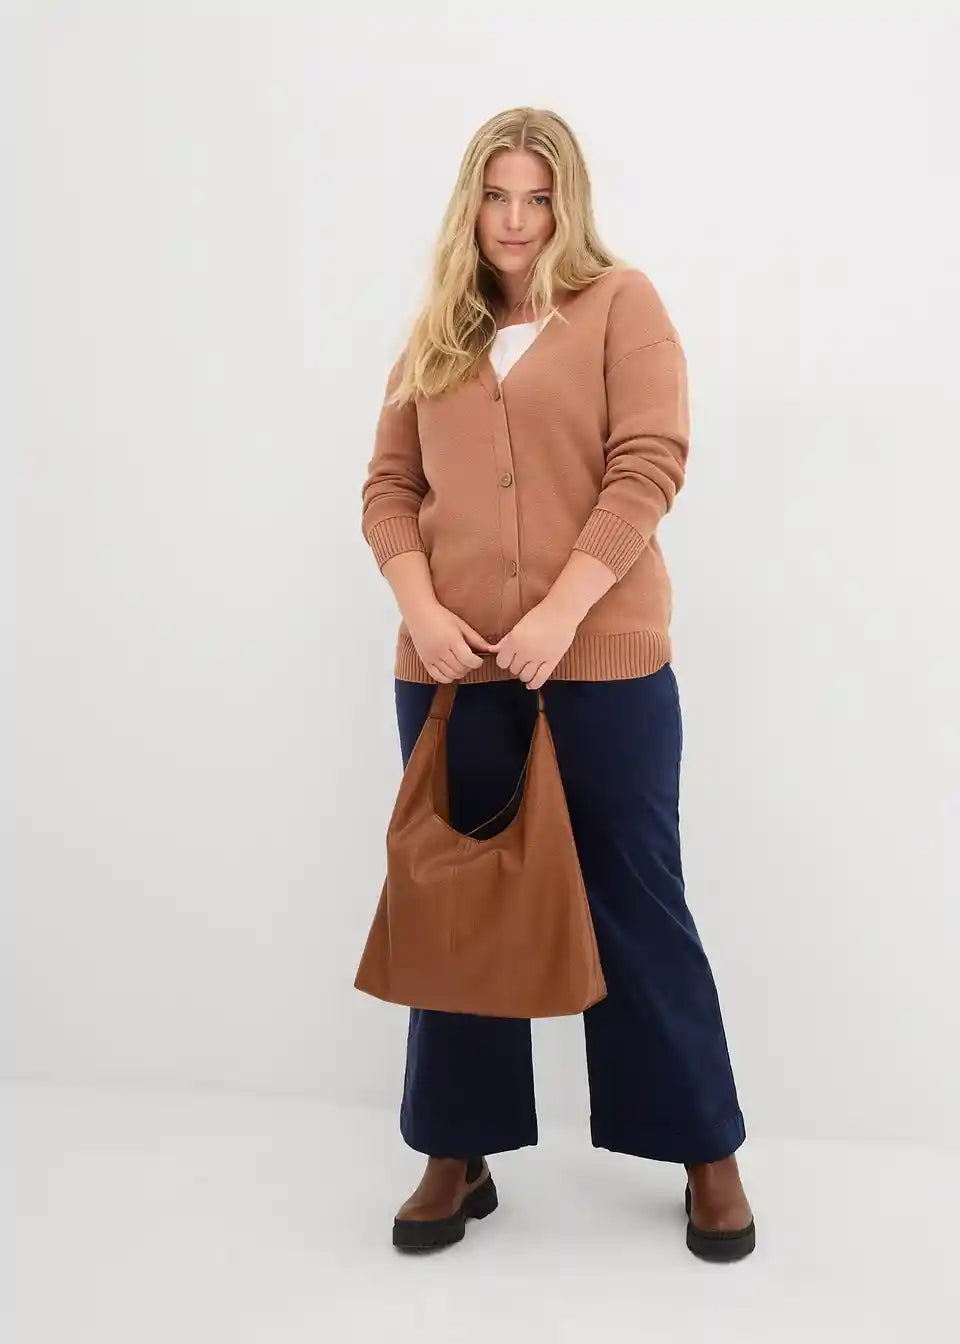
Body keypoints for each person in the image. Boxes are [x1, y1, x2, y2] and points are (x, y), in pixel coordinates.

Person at [359, 106, 755, 1262]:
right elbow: (389, 489)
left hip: (603, 667)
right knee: (460, 910)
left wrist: (561, 612)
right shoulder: (438, 330)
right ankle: (458, 1149)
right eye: (497, 196)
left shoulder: (622, 304)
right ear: (470, 204)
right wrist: (423, 611)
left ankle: (706, 1152)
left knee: (637, 907)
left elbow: (648, 465)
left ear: (567, 202)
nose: (517, 220)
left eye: (537, 197)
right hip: (453, 675)